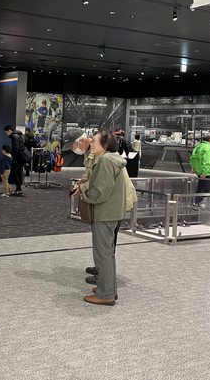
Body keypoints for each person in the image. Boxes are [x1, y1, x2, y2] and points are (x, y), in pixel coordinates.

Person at [79, 129, 128, 306]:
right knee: (107, 253)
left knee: (103, 255)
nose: (91, 143)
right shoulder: (111, 159)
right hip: (112, 212)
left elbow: (99, 192)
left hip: (105, 213)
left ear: (105, 144)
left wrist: (84, 192)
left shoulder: (106, 161)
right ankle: (108, 288)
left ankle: (106, 293)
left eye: (94, 141)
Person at [64, 129, 99, 284]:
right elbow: (90, 174)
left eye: (72, 146)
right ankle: (100, 268)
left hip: (108, 203)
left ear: (81, 141)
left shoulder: (99, 153)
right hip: (100, 200)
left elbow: (99, 179)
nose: (73, 150)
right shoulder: (89, 152)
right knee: (99, 239)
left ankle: (103, 275)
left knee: (104, 242)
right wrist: (82, 182)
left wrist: (83, 186)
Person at [190, 133, 210, 209]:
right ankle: (197, 203)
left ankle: (196, 203)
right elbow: (207, 161)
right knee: (206, 188)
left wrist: (193, 167)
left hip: (199, 172)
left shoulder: (199, 146)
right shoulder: (208, 148)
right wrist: (205, 173)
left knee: (200, 188)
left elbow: (192, 157)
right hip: (205, 173)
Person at [3, 125, 27, 196]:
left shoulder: (14, 137)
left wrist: (12, 157)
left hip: (17, 158)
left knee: (13, 173)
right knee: (16, 173)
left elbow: (16, 148)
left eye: (6, 132)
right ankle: (18, 189)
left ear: (10, 130)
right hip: (20, 157)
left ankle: (18, 189)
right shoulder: (18, 135)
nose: (6, 134)